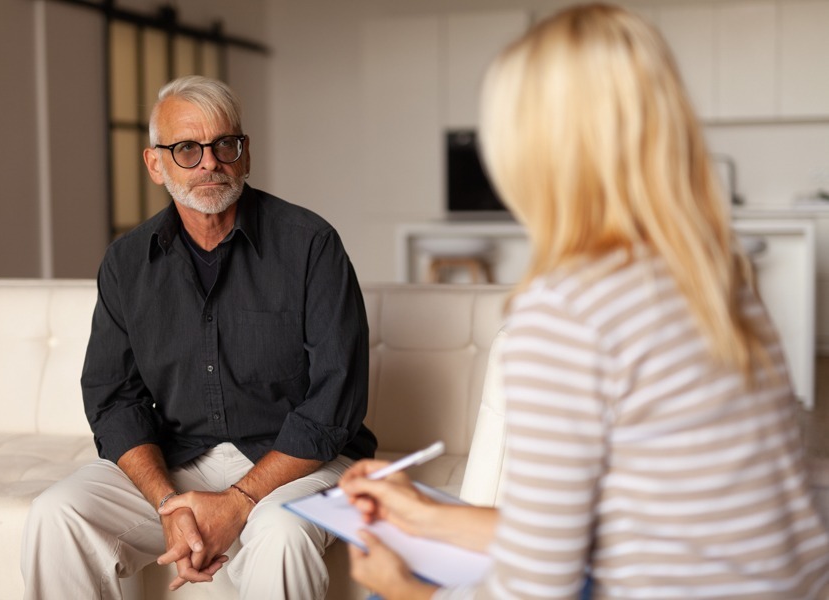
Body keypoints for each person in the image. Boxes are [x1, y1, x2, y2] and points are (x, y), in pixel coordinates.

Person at [338, 4, 829, 599]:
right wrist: (425, 512)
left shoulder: (568, 311)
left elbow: (537, 587)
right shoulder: (719, 282)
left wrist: (404, 591)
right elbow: (613, 526)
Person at [21, 75, 377, 599]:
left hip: (301, 463)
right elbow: (114, 399)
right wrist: (168, 504)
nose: (209, 163)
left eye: (224, 145)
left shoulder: (311, 245)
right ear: (155, 163)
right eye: (186, 148)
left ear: (245, 153)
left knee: (280, 533)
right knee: (57, 514)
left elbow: (335, 403)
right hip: (180, 457)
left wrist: (238, 502)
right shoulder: (127, 262)